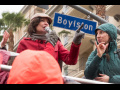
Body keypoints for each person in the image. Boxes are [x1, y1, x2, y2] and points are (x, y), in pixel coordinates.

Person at [17, 13, 85, 66]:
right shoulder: (24, 43)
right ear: (34, 24)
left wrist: (76, 43)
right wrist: (51, 42)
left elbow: (71, 60)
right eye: (42, 20)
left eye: (48, 22)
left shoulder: (56, 42)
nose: (46, 23)